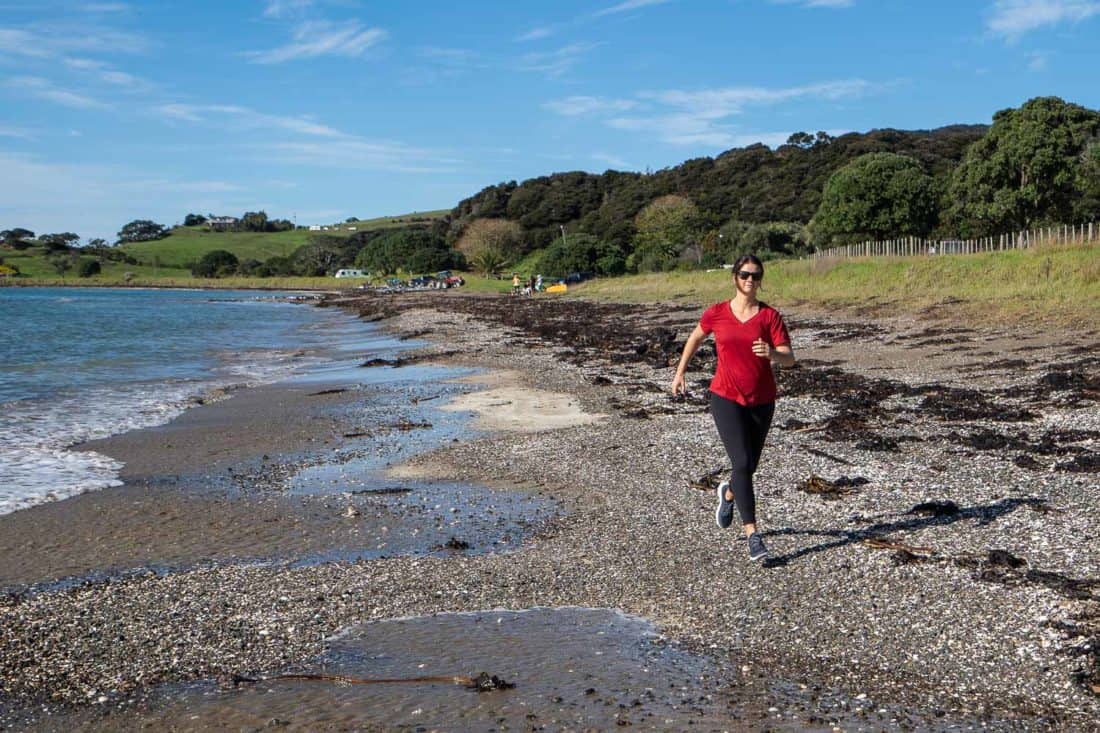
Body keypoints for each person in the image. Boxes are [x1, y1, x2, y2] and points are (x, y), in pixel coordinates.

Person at [670, 254, 795, 561]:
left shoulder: (770, 317)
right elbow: (696, 337)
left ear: (760, 279)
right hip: (725, 397)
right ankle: (753, 535)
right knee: (741, 461)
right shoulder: (717, 313)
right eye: (744, 274)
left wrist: (772, 354)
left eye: (755, 275)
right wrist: (680, 372)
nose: (749, 280)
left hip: (762, 401)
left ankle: (728, 493)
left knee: (747, 467)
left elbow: (790, 358)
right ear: (735, 277)